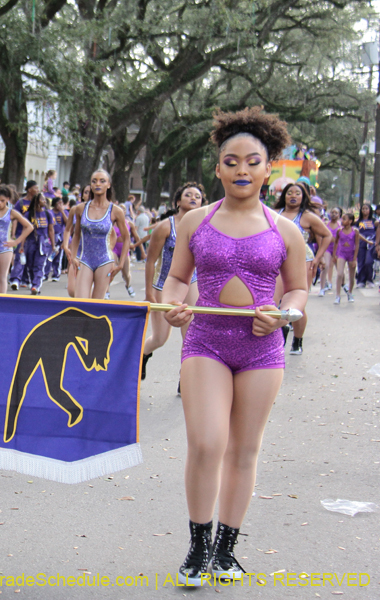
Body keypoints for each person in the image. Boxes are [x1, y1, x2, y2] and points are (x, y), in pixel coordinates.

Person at [162, 107, 307, 585]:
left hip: (261, 351)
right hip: (205, 342)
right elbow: (177, 280)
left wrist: (283, 315)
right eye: (231, 161)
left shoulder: (285, 230)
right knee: (207, 443)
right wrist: (173, 306)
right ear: (218, 167)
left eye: (252, 161)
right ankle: (198, 546)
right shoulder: (194, 222)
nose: (241, 170)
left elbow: (298, 292)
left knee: (244, 450)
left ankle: (226, 550)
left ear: (269, 168)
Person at [140, 182, 203, 381]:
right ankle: (142, 355)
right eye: (188, 195)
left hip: (192, 283)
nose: (193, 198)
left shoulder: (205, 228)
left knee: (190, 337)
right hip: (163, 285)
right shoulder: (165, 226)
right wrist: (149, 292)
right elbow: (150, 260)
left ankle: (184, 378)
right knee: (160, 338)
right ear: (178, 201)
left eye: (197, 196)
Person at [274, 181, 330, 355]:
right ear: (284, 196)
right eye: (289, 193)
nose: (293, 196)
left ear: (303, 197)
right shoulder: (275, 214)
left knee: (298, 303)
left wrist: (318, 258)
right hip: (277, 259)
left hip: (302, 260)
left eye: (297, 193)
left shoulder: (307, 216)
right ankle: (278, 333)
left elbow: (327, 235)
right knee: (275, 301)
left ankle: (297, 340)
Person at [68, 170, 130, 299]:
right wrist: (73, 257)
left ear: (108, 185)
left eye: (102, 181)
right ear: (90, 185)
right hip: (85, 259)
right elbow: (76, 234)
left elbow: (126, 237)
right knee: (80, 302)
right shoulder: (81, 208)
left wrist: (121, 264)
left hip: (105, 261)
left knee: (97, 304)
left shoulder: (115, 210)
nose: (98, 184)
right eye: (94, 181)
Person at [0, 186, 33, 294]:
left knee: (2, 276)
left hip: (5, 246)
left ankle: (1, 301)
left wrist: (16, 242)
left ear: (8, 199)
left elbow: (29, 227)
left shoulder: (12, 213)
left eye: (2, 201)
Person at [8, 181, 38, 290]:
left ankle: (26, 279)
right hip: (22, 233)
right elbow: (15, 219)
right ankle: (15, 279)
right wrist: (13, 234)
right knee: (20, 257)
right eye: (35, 188)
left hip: (34, 235)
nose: (37, 190)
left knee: (30, 259)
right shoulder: (21, 203)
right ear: (29, 189)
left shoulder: (38, 203)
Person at [23, 194, 55, 295]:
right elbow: (25, 230)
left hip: (43, 243)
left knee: (39, 264)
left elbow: (51, 230)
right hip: (31, 242)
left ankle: (36, 285)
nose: (44, 201)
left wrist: (53, 245)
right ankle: (33, 282)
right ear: (36, 201)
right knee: (30, 264)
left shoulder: (48, 214)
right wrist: (21, 246)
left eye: (45, 200)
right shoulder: (28, 214)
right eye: (42, 199)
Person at [333, 212, 358, 304]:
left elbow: (357, 245)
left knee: (351, 276)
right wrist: (334, 254)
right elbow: (336, 242)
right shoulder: (339, 230)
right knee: (339, 274)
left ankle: (350, 293)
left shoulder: (355, 231)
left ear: (350, 221)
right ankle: (337, 295)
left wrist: (355, 258)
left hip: (351, 254)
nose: (342, 221)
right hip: (341, 254)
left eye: (344, 219)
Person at [44, 197, 68, 282]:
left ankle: (56, 274)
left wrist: (62, 211)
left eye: (62, 203)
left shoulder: (64, 212)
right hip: (50, 237)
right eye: (59, 203)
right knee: (48, 256)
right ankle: (45, 274)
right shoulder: (49, 212)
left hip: (59, 237)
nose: (60, 205)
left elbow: (68, 223)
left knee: (58, 257)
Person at [354, 203, 377, 287]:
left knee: (369, 261)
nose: (364, 210)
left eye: (366, 209)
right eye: (363, 209)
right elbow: (355, 232)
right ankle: (361, 281)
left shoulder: (374, 221)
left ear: (370, 210)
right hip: (361, 243)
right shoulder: (358, 222)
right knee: (361, 262)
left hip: (371, 243)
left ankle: (369, 279)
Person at [320, 207, 341, 296]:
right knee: (326, 265)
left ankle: (341, 285)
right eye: (332, 212)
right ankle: (322, 288)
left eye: (336, 213)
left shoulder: (341, 226)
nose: (333, 214)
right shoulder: (325, 224)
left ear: (339, 215)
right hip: (328, 248)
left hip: (338, 249)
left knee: (339, 269)